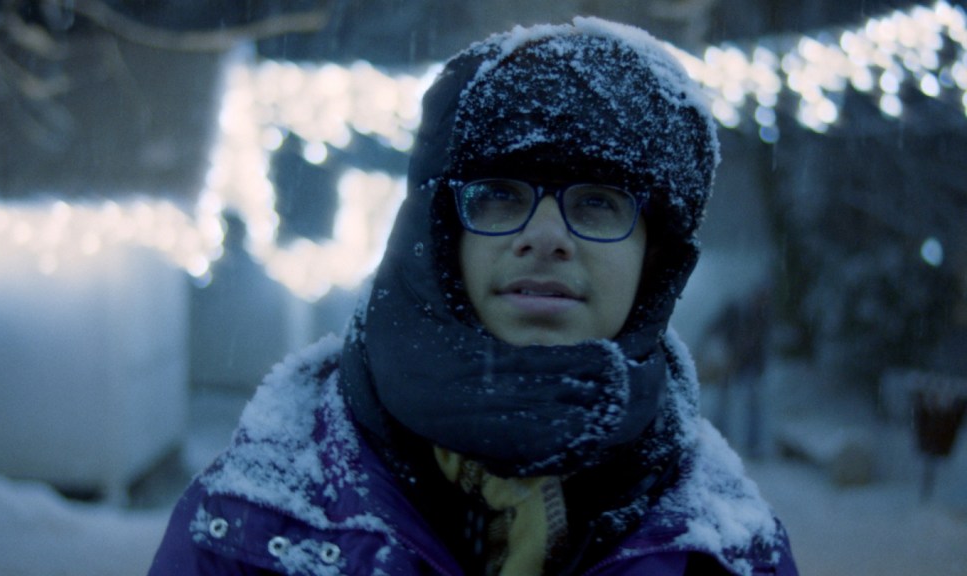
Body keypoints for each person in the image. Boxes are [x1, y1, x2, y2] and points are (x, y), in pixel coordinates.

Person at [149, 17, 799, 575]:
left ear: (655, 259)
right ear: (441, 238)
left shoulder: (732, 553)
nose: (546, 238)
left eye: (598, 203)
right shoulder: (249, 521)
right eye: (500, 196)